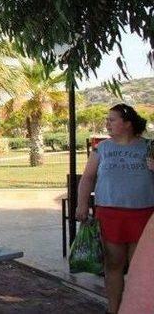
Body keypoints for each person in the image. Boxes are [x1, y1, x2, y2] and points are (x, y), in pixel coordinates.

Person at [76, 104, 154, 314]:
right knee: (113, 265)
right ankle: (113, 309)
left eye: (112, 120)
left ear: (127, 123)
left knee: (140, 268)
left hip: (144, 214)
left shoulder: (149, 146)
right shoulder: (102, 148)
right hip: (110, 215)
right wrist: (82, 204)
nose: (107, 124)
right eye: (107, 120)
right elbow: (88, 178)